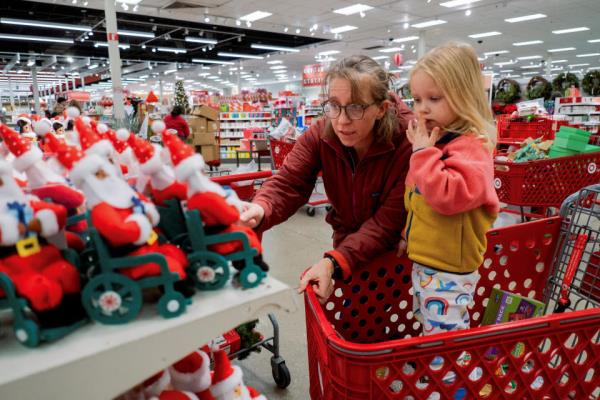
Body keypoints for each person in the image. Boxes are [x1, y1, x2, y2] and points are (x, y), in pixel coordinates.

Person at [239, 55, 414, 303]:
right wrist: (261, 207)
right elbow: (290, 181)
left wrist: (333, 260)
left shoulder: (409, 141)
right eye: (334, 105)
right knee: (355, 322)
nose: (342, 120)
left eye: (356, 107)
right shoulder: (321, 133)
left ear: (381, 109)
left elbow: (388, 223)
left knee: (397, 323)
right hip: (348, 247)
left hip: (397, 255)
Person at [399, 42, 500, 335]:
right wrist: (408, 235)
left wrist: (421, 154)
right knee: (432, 325)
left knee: (447, 335)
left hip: (450, 269)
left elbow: (446, 197)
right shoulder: (437, 143)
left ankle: (459, 380)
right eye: (417, 99)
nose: (422, 108)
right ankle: (438, 372)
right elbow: (418, 199)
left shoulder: (472, 147)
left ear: (463, 97)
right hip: (429, 261)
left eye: (434, 98)